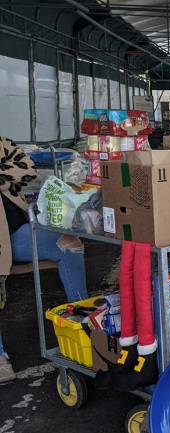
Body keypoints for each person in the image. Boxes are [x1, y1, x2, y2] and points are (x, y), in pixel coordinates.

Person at [0, 135, 88, 383]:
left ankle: (85, 320)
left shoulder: (2, 143)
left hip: (16, 233)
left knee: (70, 244)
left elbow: (27, 168)